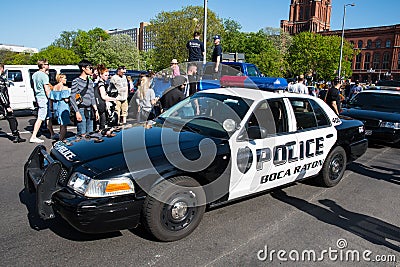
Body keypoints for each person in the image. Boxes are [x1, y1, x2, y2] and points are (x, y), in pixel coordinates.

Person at [70, 60, 99, 135]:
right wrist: (77, 112)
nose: (91, 70)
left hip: (90, 109)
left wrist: (96, 110)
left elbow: (92, 96)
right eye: (89, 68)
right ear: (83, 68)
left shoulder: (90, 82)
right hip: (81, 109)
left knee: (90, 133)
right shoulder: (76, 81)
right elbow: (72, 97)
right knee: (82, 133)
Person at [30, 59, 55, 143]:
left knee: (48, 116)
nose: (48, 66)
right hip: (43, 97)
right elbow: (47, 89)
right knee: (41, 117)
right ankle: (33, 136)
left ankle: (52, 133)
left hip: (38, 96)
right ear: (43, 65)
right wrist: (51, 98)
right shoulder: (44, 76)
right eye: (47, 64)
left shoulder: (34, 75)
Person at [0, 63, 26, 143]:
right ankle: (16, 136)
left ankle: (16, 136)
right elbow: (1, 93)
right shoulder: (0, 80)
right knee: (12, 119)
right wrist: (7, 105)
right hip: (2, 104)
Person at [94, 64, 116, 130]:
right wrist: (114, 99)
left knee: (104, 123)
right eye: (105, 75)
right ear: (101, 75)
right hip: (101, 106)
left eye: (108, 75)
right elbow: (103, 96)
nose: (107, 77)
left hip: (102, 105)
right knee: (103, 124)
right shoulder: (101, 84)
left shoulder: (103, 83)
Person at [49, 74, 70, 141]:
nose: (66, 80)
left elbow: (51, 99)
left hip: (56, 106)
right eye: (65, 78)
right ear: (61, 79)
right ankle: (61, 139)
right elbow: (66, 99)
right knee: (64, 125)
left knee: (60, 123)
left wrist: (51, 108)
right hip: (63, 106)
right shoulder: (64, 88)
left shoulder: (54, 87)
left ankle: (61, 137)